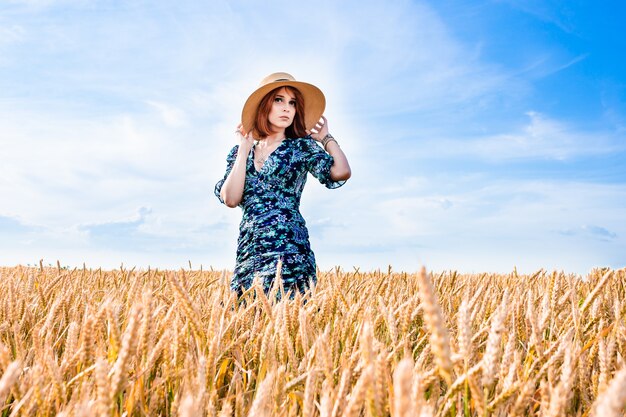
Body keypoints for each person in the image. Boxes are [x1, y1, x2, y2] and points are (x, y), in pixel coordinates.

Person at [215, 72, 351, 296]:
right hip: (251, 249)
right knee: (247, 319)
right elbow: (230, 198)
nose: (287, 108)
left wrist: (326, 139)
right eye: (279, 100)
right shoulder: (241, 152)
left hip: (289, 249)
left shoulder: (301, 147)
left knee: (291, 319)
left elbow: (341, 171)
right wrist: (243, 150)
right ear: (264, 106)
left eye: (292, 103)